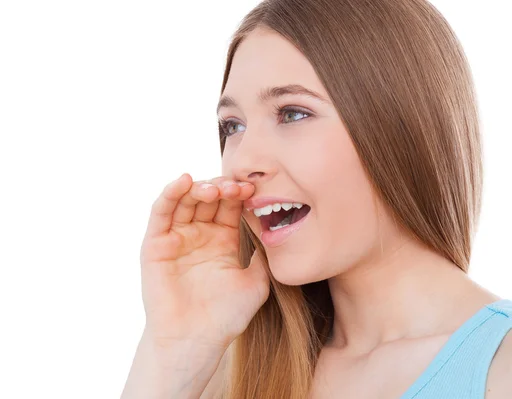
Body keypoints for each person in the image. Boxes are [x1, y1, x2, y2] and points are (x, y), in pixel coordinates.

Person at [121, 0, 512, 397]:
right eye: (232, 125)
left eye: (292, 113)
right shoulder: (225, 376)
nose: (242, 161)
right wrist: (172, 351)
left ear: (401, 126)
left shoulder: (501, 367)